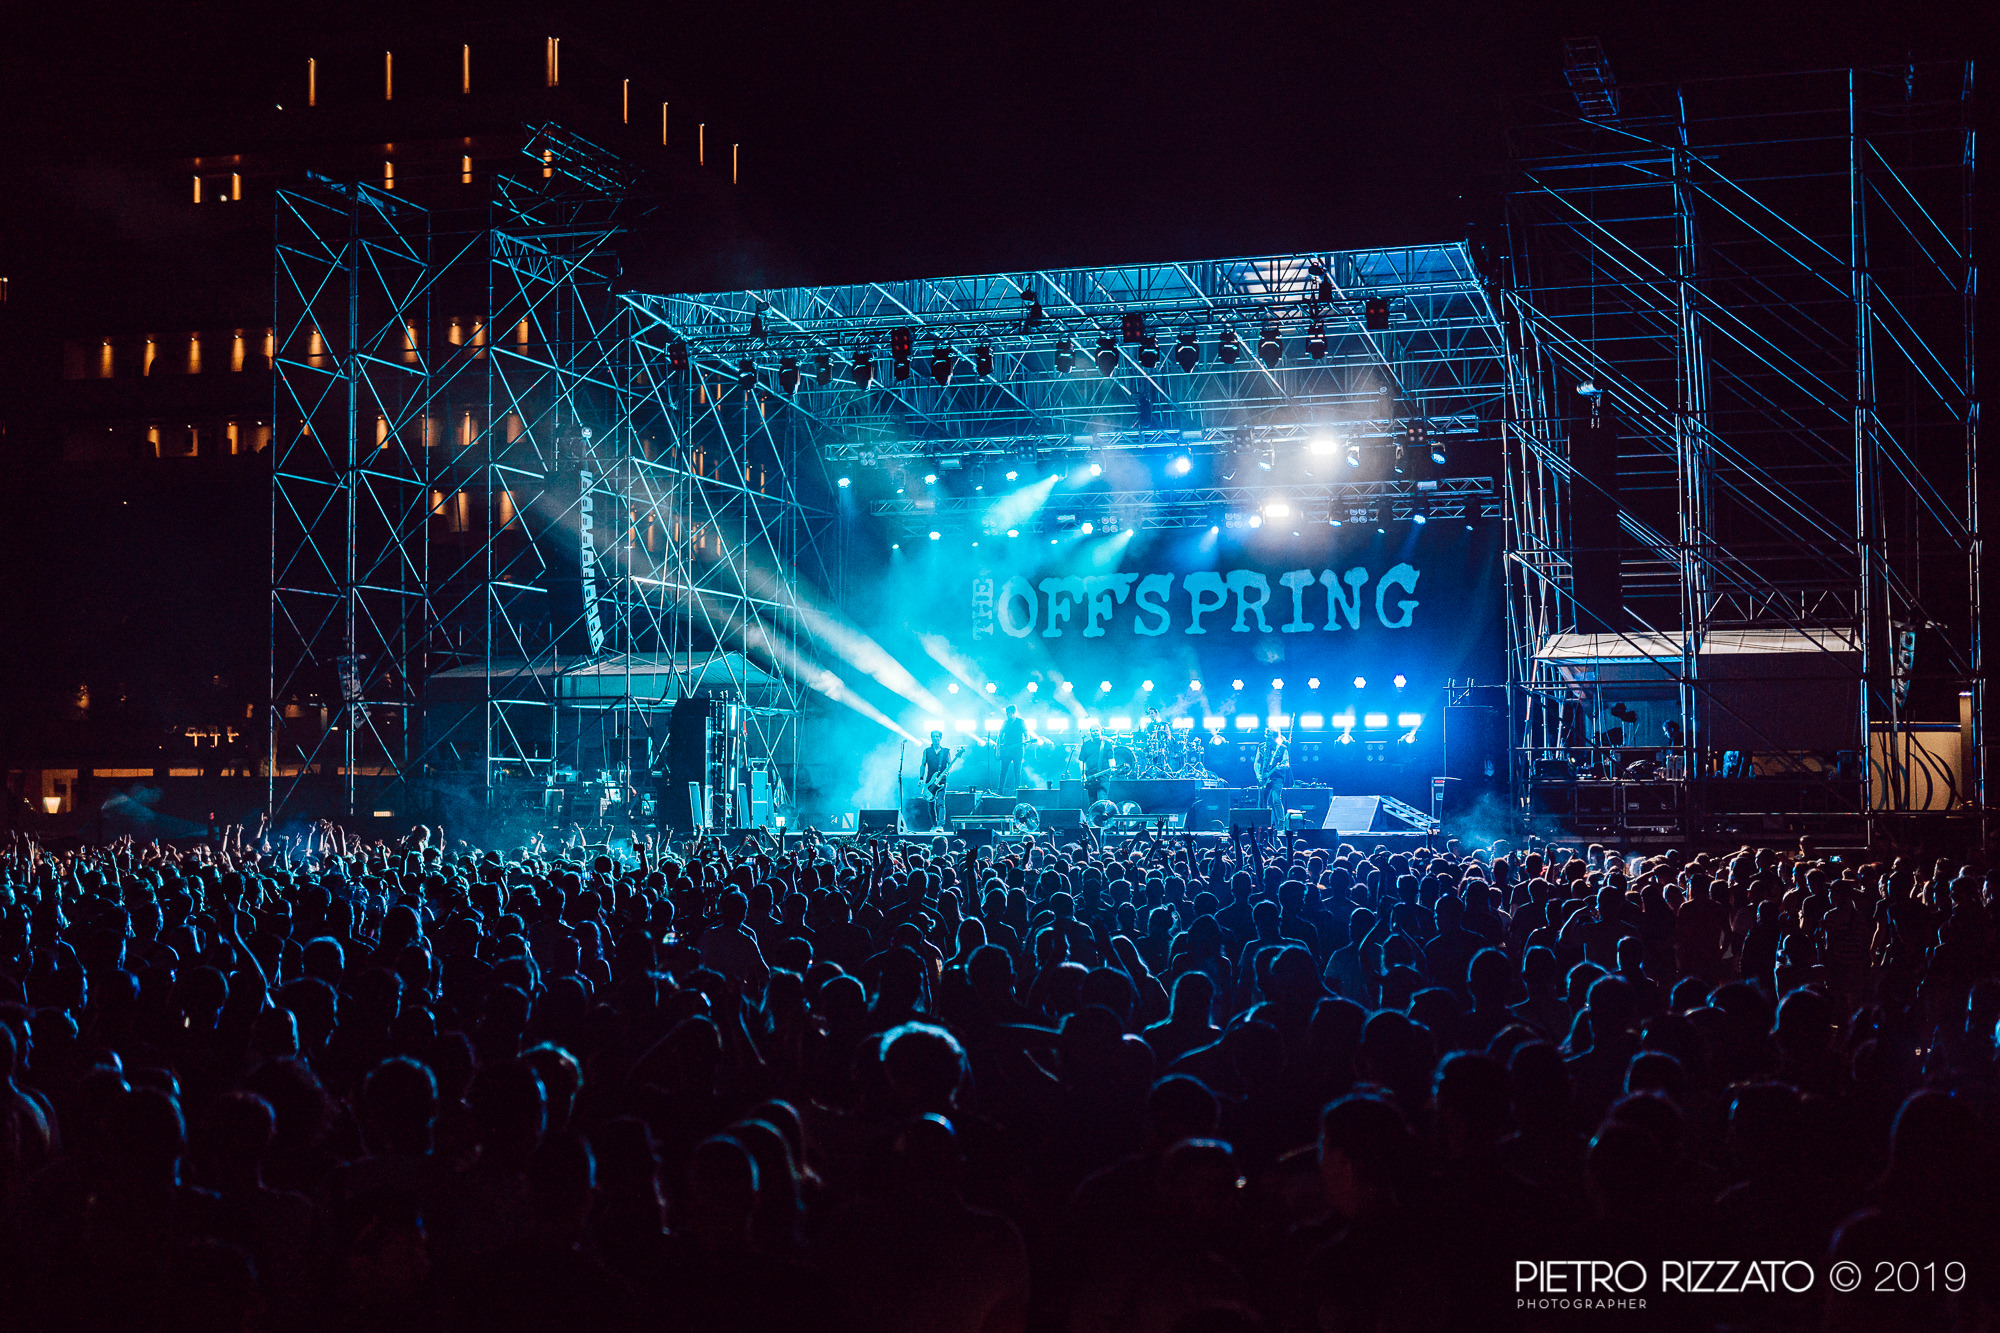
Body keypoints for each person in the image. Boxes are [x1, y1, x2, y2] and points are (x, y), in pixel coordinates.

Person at [919, 731, 957, 832]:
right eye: (934, 736)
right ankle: (933, 825)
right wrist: (921, 778)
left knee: (940, 802)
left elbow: (950, 765)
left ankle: (940, 825)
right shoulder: (927, 751)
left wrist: (947, 772)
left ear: (941, 738)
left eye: (938, 736)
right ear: (931, 738)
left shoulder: (946, 751)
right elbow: (923, 765)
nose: (936, 738)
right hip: (929, 781)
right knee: (930, 803)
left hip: (942, 781)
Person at [1253, 725, 1289, 824]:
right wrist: (1258, 775)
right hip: (1264, 777)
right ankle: (1262, 823)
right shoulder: (1261, 747)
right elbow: (1257, 762)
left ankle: (1281, 824)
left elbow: (1286, 763)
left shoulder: (1282, 748)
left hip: (1277, 778)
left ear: (1275, 737)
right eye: (1266, 736)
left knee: (1276, 799)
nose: (1267, 738)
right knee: (1262, 801)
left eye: (1269, 736)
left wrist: (1282, 766)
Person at [996, 705, 1027, 794]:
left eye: (1008, 712)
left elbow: (1026, 734)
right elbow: (1000, 735)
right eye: (1006, 713)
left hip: (1018, 750)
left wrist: (1025, 743)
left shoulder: (1021, 722)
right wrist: (998, 748)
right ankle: (1000, 790)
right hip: (1006, 750)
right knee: (1003, 771)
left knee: (1017, 771)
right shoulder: (1005, 723)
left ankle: (1017, 790)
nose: (1007, 714)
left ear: (1013, 712)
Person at [1078, 728, 1112, 807]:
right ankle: (1094, 814)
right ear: (1090, 732)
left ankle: (1104, 813)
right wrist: (1083, 774)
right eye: (1093, 731)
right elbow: (1082, 760)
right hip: (1090, 775)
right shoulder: (1086, 745)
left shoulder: (1106, 744)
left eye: (1097, 730)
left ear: (1101, 731)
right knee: (1092, 800)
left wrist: (1113, 767)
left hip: (1103, 775)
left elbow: (1111, 758)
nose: (1095, 732)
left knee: (1102, 798)